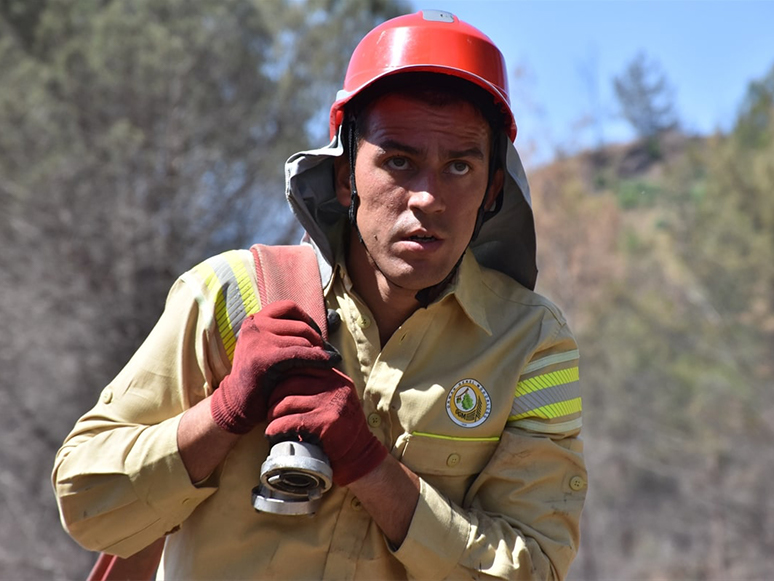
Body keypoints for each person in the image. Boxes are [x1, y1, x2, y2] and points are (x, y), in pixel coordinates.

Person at [53, 10, 586, 580]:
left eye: (459, 166)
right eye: (398, 161)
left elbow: (536, 565)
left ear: (493, 190)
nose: (428, 197)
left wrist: (370, 467)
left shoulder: (531, 343)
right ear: (344, 176)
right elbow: (87, 506)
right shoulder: (227, 297)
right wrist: (225, 411)